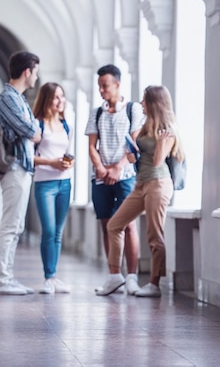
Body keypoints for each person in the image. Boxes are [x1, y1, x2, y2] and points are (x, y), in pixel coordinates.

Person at [97, 85, 184, 297]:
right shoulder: (146, 126)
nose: (141, 104)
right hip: (141, 184)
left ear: (154, 103)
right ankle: (115, 276)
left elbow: (156, 162)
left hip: (158, 184)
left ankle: (154, 284)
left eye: (144, 100)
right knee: (115, 225)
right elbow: (142, 157)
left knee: (155, 235)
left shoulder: (168, 131)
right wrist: (133, 156)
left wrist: (163, 143)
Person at [85, 64, 144, 296]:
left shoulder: (133, 110)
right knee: (107, 225)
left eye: (105, 85)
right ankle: (113, 276)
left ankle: (131, 277)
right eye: (99, 86)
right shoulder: (96, 112)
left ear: (117, 84)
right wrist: (101, 168)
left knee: (128, 225)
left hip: (125, 176)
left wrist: (118, 168)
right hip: (101, 178)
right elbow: (91, 146)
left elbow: (135, 145)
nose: (101, 90)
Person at [0, 51, 42, 295]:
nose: (37, 78)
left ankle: (7, 277)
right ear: (27, 72)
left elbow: (33, 129)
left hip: (22, 167)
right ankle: (2, 279)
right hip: (14, 168)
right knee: (10, 224)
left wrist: (33, 129)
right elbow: (30, 129)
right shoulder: (8, 98)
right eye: (36, 72)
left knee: (16, 225)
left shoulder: (18, 99)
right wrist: (33, 129)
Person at [32, 82, 74, 294]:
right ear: (47, 99)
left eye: (62, 97)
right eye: (56, 97)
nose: (61, 101)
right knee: (48, 231)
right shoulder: (38, 125)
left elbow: (67, 152)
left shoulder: (66, 124)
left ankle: (54, 276)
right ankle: (48, 278)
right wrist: (52, 163)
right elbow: (28, 157)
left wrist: (67, 163)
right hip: (44, 183)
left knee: (58, 233)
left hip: (64, 183)